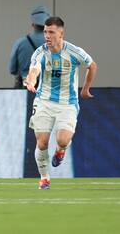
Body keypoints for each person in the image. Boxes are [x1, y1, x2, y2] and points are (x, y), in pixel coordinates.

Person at [24, 16, 97, 190]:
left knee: (63, 140)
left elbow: (92, 65)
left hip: (68, 103)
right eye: (45, 32)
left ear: (61, 33)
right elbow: (34, 70)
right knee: (41, 143)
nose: (47, 36)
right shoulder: (40, 52)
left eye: (51, 32)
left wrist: (85, 89)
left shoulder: (73, 51)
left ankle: (61, 150)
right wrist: (30, 81)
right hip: (44, 101)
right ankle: (44, 178)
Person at [9, 5, 50, 88]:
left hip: (26, 87)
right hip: (48, 89)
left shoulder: (20, 43)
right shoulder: (55, 45)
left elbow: (12, 69)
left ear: (33, 24)